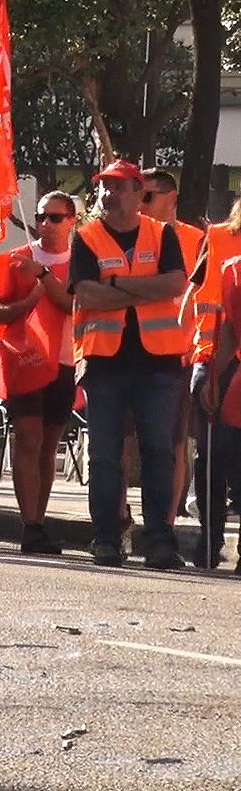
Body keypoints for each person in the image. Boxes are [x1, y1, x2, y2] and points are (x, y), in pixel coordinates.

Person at [71, 159, 189, 569]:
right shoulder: (86, 237)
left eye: (119, 186)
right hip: (104, 361)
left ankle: (159, 540)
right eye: (105, 186)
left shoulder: (163, 234)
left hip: (158, 363)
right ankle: (106, 538)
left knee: (158, 452)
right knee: (104, 455)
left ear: (141, 195)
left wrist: (117, 285)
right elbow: (87, 294)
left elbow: (175, 284)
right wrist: (145, 290)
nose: (109, 193)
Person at [0, 192, 78, 555]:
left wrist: (44, 278)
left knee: (48, 445)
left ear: (72, 220)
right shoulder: (17, 259)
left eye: (56, 217)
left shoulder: (81, 260)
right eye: (42, 217)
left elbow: (73, 305)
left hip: (65, 363)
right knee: (28, 437)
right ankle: (31, 525)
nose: (47, 224)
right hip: (23, 363)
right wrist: (25, 303)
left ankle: (39, 520)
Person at [140, 167, 201, 538]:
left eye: (148, 196)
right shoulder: (130, 236)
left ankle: (165, 523)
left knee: (174, 442)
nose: (140, 203)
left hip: (178, 353)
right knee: (125, 441)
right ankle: (121, 516)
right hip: (130, 350)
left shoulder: (195, 240)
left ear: (171, 199)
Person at [189, 197, 241, 567]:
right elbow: (224, 323)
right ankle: (209, 539)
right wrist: (211, 372)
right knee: (216, 453)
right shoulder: (228, 256)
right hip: (223, 365)